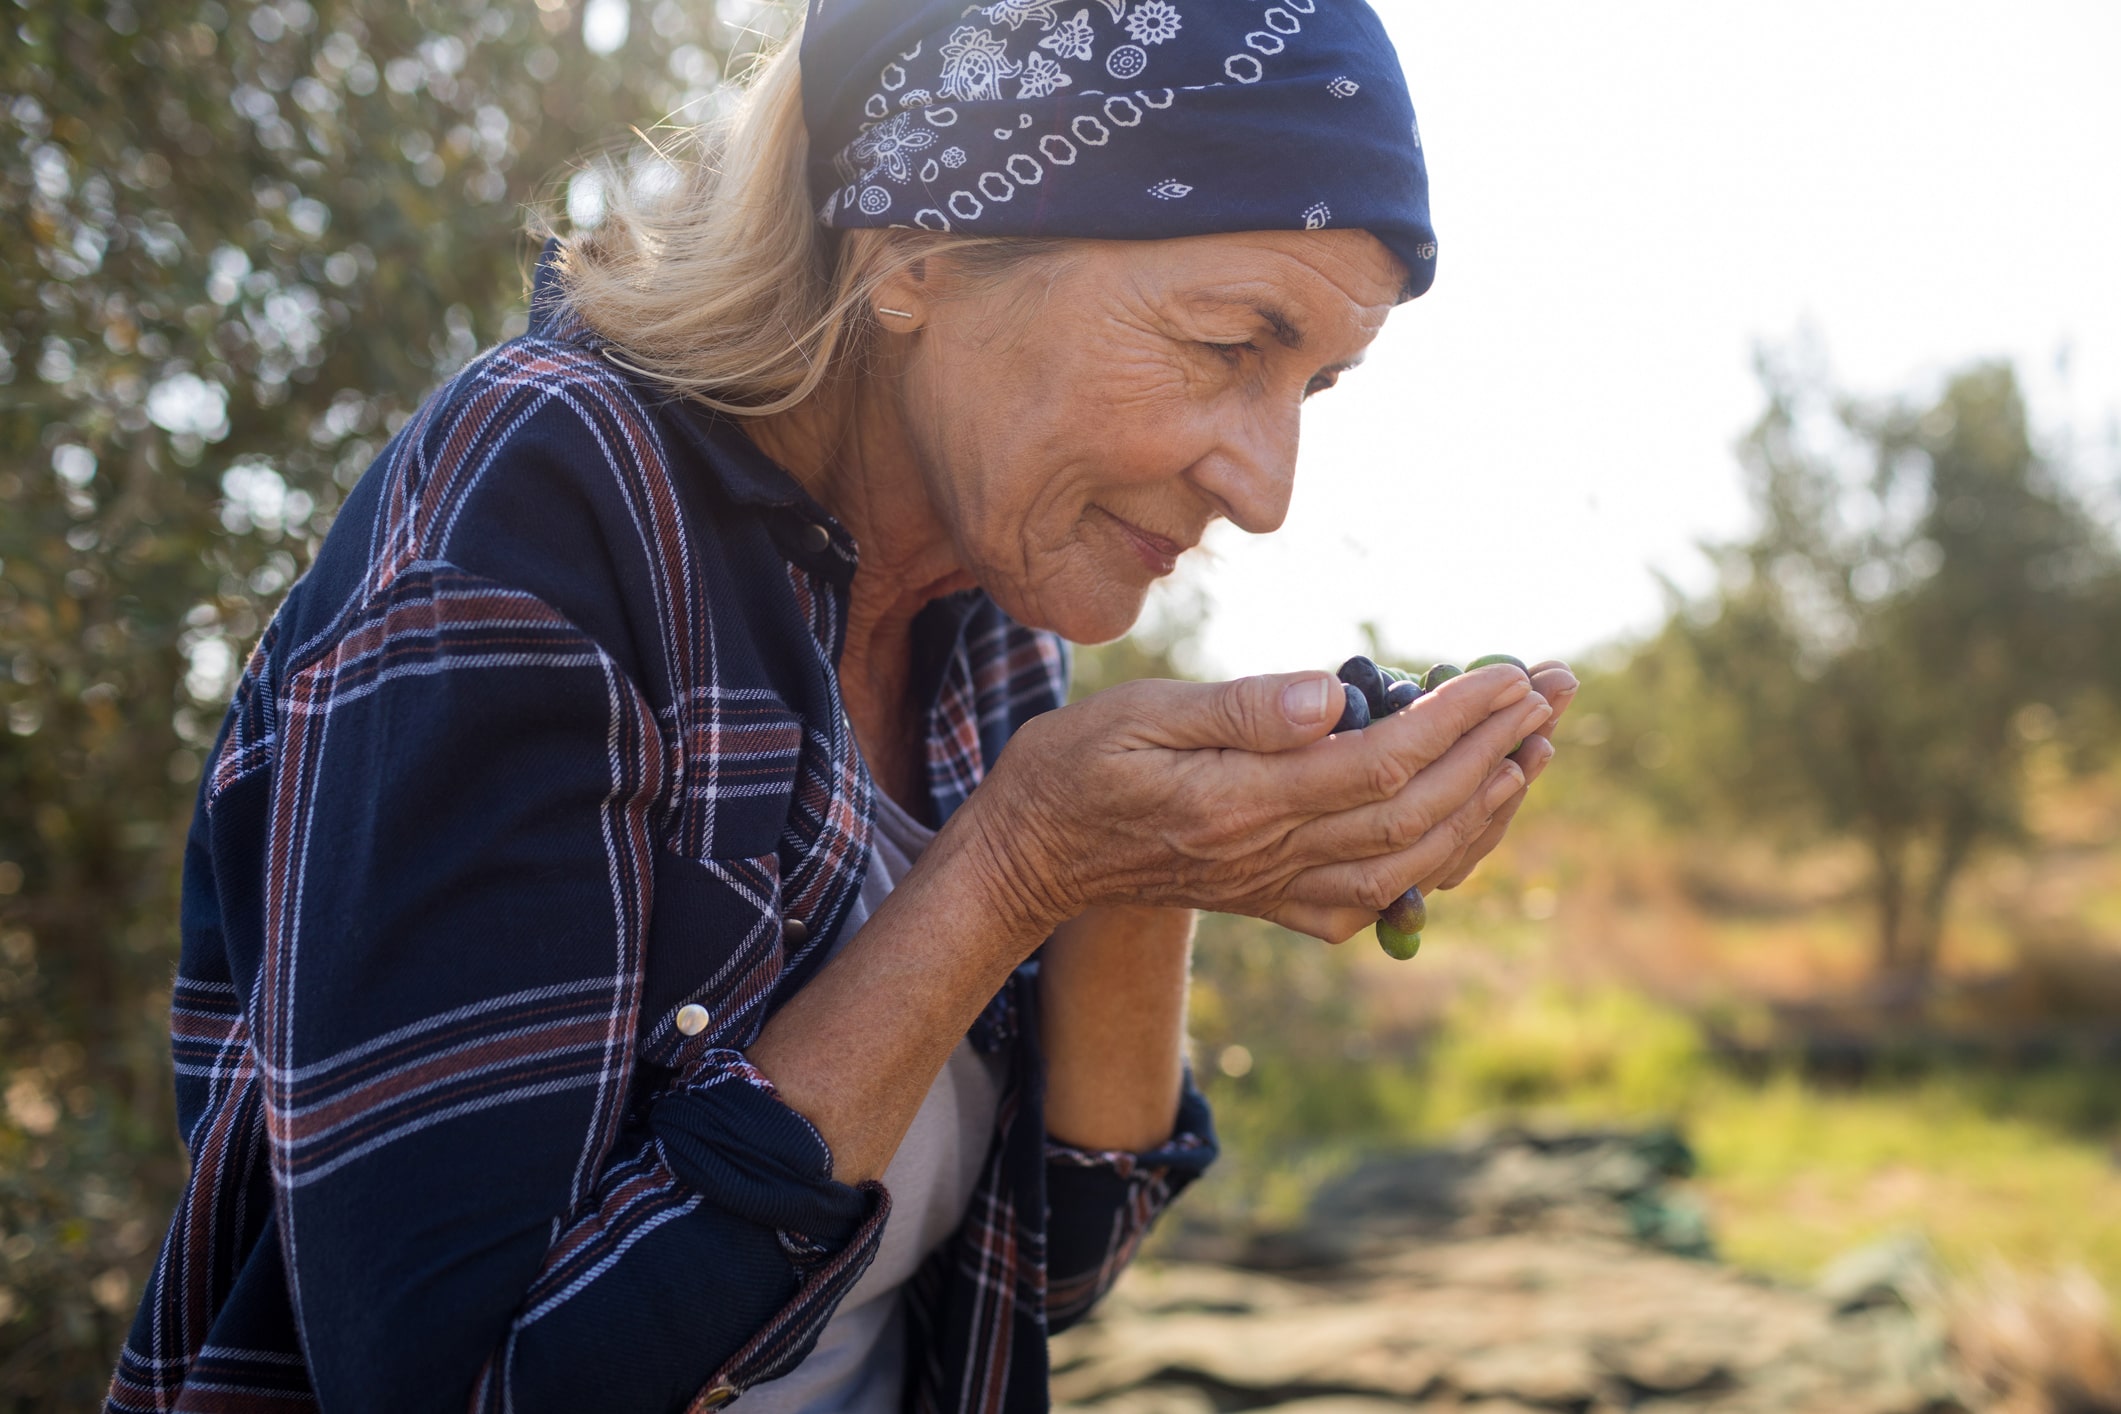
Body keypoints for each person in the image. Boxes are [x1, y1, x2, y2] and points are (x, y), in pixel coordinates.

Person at [109, 1, 1576, 1410]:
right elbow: (463, 1382)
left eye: (1313, 386)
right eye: (1224, 345)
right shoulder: (554, 499)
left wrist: (1141, 879)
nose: (1263, 489)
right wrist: (1016, 868)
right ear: (915, 254)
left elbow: (1039, 1267)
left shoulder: (986, 614)